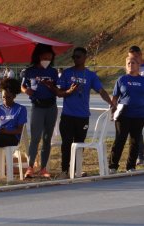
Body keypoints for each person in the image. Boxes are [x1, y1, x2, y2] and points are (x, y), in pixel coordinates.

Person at [56, 47, 114, 179]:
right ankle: (65, 170)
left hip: (82, 117)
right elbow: (59, 94)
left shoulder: (90, 75)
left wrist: (111, 103)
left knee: (79, 144)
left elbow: (101, 91)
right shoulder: (67, 73)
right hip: (68, 115)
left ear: (84, 57)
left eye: (78, 57)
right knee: (66, 144)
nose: (75, 59)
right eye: (74, 57)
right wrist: (68, 92)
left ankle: (76, 170)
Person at [21, 44, 59, 179]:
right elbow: (23, 86)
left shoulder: (53, 72)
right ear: (38, 56)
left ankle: (43, 168)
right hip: (37, 106)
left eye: (49, 58)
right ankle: (30, 167)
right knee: (35, 138)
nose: (47, 60)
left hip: (51, 106)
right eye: (44, 57)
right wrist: (27, 91)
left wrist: (51, 86)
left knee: (47, 138)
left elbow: (57, 89)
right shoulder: (29, 71)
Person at [108, 56, 144, 173]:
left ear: (139, 65)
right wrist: (112, 111)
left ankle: (131, 166)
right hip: (123, 115)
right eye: (128, 63)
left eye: (133, 63)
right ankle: (113, 166)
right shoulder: (122, 79)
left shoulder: (142, 80)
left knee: (135, 141)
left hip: (139, 115)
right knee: (120, 140)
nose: (130, 65)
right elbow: (115, 98)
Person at [128, 46, 144, 165]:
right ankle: (140, 156)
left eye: (134, 57)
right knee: (137, 132)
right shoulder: (131, 67)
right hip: (136, 106)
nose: (132, 60)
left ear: (140, 55)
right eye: (130, 58)